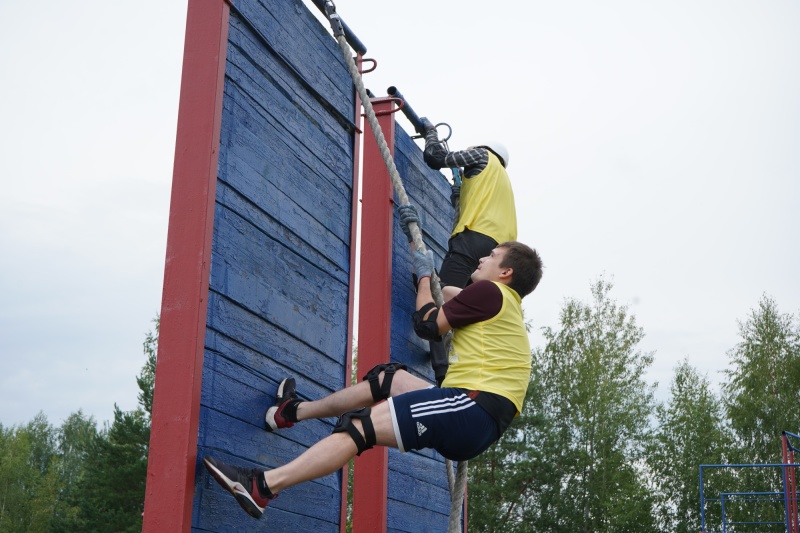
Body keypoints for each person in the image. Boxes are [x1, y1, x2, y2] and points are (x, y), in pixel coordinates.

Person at [203, 241, 543, 519]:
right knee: (388, 379)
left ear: (506, 272)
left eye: (492, 256)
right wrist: (429, 276)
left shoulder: (490, 293)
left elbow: (427, 325)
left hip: (471, 406)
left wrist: (424, 278)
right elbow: (452, 294)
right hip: (477, 415)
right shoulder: (503, 304)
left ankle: (263, 485)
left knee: (358, 427)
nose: (483, 257)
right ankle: (291, 412)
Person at [397, 118, 518, 384]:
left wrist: (430, 134)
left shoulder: (483, 155)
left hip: (472, 239)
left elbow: (436, 158)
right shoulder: (502, 182)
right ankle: (453, 367)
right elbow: (478, 202)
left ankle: (442, 371)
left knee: (441, 295)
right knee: (463, 304)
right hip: (496, 255)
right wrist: (458, 196)